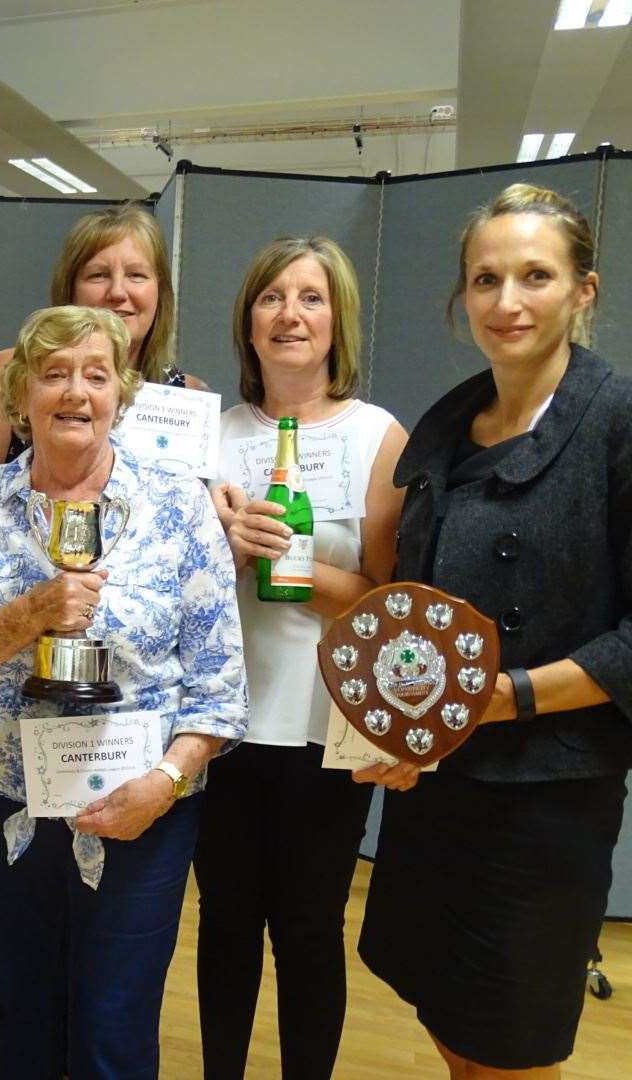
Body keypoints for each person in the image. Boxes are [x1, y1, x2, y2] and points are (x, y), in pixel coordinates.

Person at [0, 304, 247, 1079]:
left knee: (115, 1028)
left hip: (144, 810)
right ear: (20, 392)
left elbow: (220, 688)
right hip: (5, 805)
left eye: (96, 375)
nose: (75, 393)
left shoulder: (178, 505)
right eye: (54, 373)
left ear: (121, 395)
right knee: (21, 1017)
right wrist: (31, 613)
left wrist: (165, 783)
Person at [357, 183, 631, 1079]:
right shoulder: (449, 431)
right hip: (442, 782)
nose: (507, 302)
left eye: (535, 276)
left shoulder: (618, 423)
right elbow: (417, 608)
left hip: (546, 795)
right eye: (485, 279)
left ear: (583, 292)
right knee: (450, 1019)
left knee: (511, 1044)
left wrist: (493, 700)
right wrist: (408, 720)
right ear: (462, 296)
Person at [192, 236, 408, 1079]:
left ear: (337, 321)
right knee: (225, 923)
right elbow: (168, 583)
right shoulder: (207, 437)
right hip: (224, 724)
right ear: (248, 321)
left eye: (311, 298)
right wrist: (223, 549)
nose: (290, 314)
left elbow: (390, 603)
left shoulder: (377, 436)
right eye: (272, 296)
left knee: (311, 931)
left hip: (328, 726)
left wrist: (299, 571)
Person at [0, 202, 206, 481]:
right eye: (98, 275)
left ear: (160, 291)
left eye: (136, 275)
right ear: (70, 290)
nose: (117, 292)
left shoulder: (188, 396)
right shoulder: (11, 372)